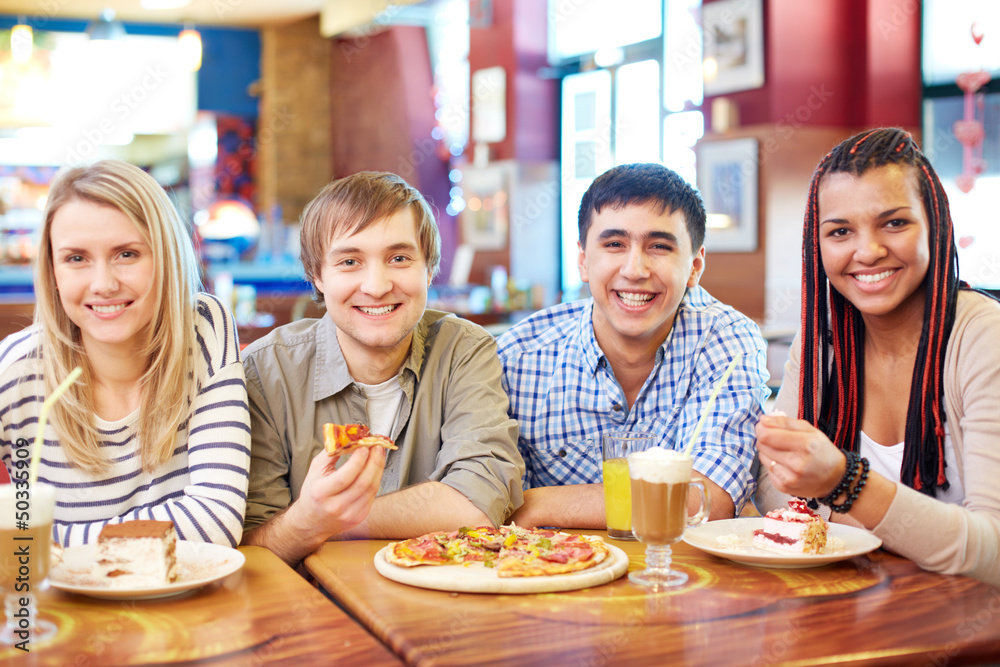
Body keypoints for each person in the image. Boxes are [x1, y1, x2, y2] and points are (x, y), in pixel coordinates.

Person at [754, 128, 1000, 584]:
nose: (867, 251)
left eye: (894, 223)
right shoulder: (820, 344)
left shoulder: (983, 337)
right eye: (841, 231)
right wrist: (867, 529)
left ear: (935, 224)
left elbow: (995, 551)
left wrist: (844, 483)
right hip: (856, 605)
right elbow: (771, 485)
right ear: (818, 244)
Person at [241, 171, 524, 565]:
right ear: (317, 276)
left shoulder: (464, 349)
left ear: (429, 268)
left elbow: (475, 504)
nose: (376, 286)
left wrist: (320, 521)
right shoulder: (266, 370)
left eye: (399, 258)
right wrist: (303, 523)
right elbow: (255, 545)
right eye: (350, 261)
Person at [498, 163, 770, 528]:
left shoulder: (725, 341)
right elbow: (486, 495)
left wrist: (538, 504)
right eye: (614, 244)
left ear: (694, 266)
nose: (635, 269)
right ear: (583, 260)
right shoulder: (518, 357)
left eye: (659, 246)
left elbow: (709, 499)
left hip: (684, 579)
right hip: (549, 578)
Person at [0, 160, 251, 547]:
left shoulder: (205, 328)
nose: (103, 284)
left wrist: (47, 539)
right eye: (76, 258)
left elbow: (214, 523)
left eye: (127, 254)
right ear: (52, 271)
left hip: (182, 605)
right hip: (61, 608)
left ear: (164, 257)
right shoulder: (14, 371)